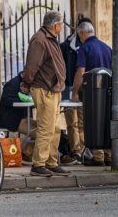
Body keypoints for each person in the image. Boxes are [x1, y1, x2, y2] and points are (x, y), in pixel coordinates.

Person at [22, 10, 70, 177]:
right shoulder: (40, 40)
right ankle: (38, 164)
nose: (62, 27)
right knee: (46, 127)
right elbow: (31, 67)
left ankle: (51, 162)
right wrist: (26, 83)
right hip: (44, 89)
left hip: (53, 89)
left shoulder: (49, 38)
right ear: (55, 25)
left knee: (55, 128)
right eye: (61, 24)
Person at [71, 21, 112, 166]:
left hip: (90, 93)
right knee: (106, 121)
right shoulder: (107, 47)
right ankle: (108, 154)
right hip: (108, 91)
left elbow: (81, 71)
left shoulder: (84, 47)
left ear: (82, 33)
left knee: (91, 122)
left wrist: (75, 91)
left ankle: (97, 156)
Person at [60, 15, 90, 163]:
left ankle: (84, 150)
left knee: (84, 122)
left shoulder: (89, 46)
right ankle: (76, 151)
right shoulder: (66, 46)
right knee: (71, 123)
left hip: (85, 89)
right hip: (68, 88)